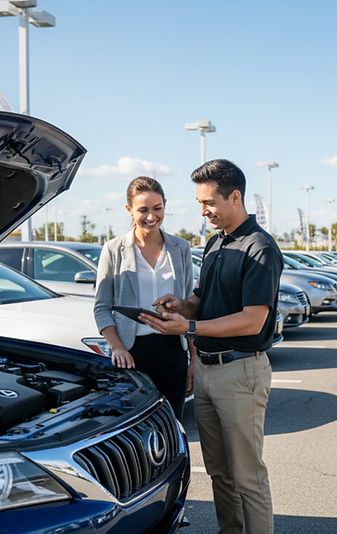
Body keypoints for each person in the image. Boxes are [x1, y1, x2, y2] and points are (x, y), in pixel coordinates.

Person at [142, 159, 282, 534]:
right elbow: (203, 300)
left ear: (234, 197)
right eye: (199, 203)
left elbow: (253, 319)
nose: (203, 211)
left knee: (247, 476)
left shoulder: (259, 248)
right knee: (219, 472)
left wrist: (189, 326)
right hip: (206, 370)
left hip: (240, 371)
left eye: (208, 203)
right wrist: (181, 305)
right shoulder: (216, 242)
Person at [93, 176, 195, 419]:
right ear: (129, 209)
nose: (151, 216)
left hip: (173, 351)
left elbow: (190, 307)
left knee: (172, 421)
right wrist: (117, 348)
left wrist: (194, 359)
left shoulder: (181, 248)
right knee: (134, 424)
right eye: (143, 210)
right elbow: (102, 307)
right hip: (131, 354)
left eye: (157, 208)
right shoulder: (113, 249)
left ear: (165, 205)